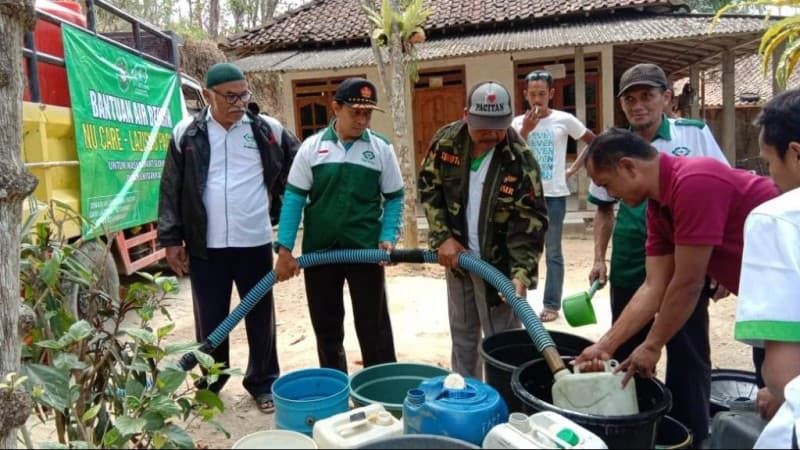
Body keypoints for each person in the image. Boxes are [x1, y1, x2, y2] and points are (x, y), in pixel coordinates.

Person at [576, 128, 779, 432]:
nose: (611, 195)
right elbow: (653, 286)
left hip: (789, 296)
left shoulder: (695, 181)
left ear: (628, 167)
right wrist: (604, 346)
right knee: (775, 396)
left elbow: (688, 283)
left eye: (607, 184)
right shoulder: (657, 208)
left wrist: (652, 345)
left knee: (783, 397)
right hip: (773, 304)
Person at [584, 63, 730, 441]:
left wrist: (717, 264)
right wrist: (599, 258)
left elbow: (723, 199)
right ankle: (634, 431)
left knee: (687, 351)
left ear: (666, 98)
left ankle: (690, 434)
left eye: (647, 96)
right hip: (634, 259)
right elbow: (603, 209)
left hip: (688, 259)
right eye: (629, 99)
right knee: (627, 353)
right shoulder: (612, 146)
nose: (638, 106)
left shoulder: (693, 136)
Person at [157, 62, 299, 413]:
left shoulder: (267, 130)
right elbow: (171, 187)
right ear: (208, 96)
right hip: (206, 245)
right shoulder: (186, 133)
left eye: (243, 95)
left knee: (260, 316)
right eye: (230, 96)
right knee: (211, 320)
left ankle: (263, 382)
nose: (239, 103)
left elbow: (300, 170)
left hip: (254, 241)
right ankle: (210, 384)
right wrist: (171, 239)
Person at [418, 81, 548, 379]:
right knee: (463, 337)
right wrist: (442, 236)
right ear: (466, 115)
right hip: (458, 260)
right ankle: (466, 395)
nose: (490, 133)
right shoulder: (446, 142)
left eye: (497, 127)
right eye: (482, 126)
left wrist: (520, 274)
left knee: (502, 344)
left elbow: (530, 222)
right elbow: (429, 188)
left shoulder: (520, 159)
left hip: (500, 270)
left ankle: (503, 399)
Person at [273, 77, 404, 374]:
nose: (362, 120)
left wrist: (388, 237)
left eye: (367, 114)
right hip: (320, 253)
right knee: (327, 327)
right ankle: (334, 385)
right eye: (355, 112)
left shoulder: (381, 149)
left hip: (365, 251)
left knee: (374, 326)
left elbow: (395, 197)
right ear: (336, 108)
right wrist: (284, 249)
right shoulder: (312, 148)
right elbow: (294, 198)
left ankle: (380, 384)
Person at [735, 89, 800, 448]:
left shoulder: (778, 218)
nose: (770, 176)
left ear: (796, 153)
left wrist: (778, 390)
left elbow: (784, 371)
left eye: (769, 162)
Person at [511, 70, 595, 322]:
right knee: (522, 250)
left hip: (554, 196)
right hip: (525, 196)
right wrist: (526, 130)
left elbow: (593, 141)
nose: (537, 99)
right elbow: (509, 152)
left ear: (552, 94)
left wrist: (572, 170)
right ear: (525, 95)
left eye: (542, 94)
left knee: (553, 252)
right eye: (532, 94)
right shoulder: (517, 123)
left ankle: (551, 305)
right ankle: (519, 301)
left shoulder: (564, 119)